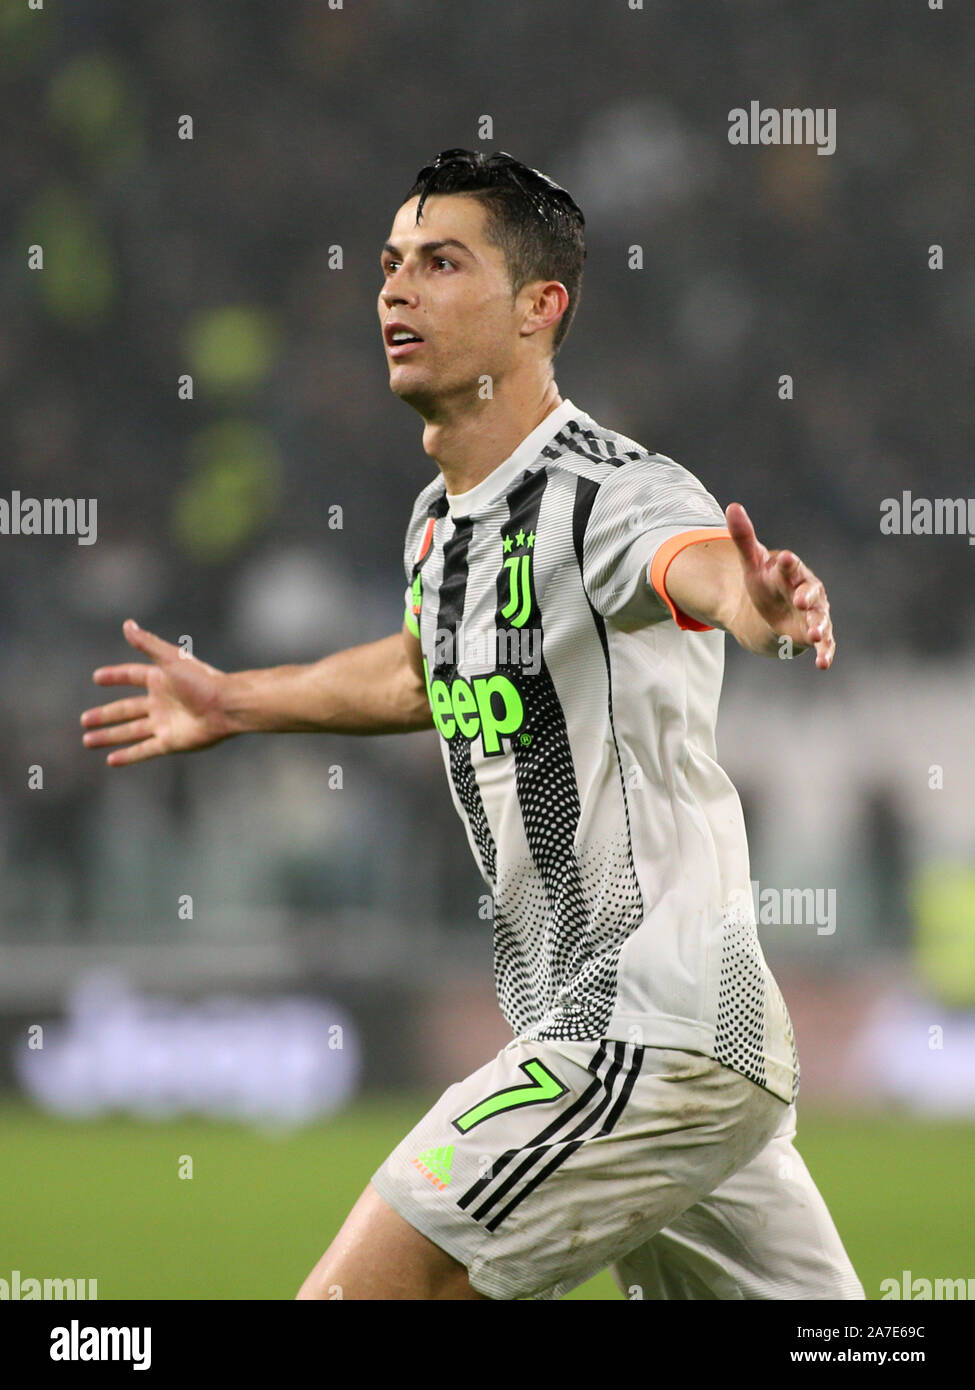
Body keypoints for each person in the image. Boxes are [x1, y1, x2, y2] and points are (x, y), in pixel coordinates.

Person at [81, 149, 862, 1301]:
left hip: (637, 1019)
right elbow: (419, 673)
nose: (396, 290)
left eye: (442, 264)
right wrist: (240, 699)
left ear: (541, 308)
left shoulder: (609, 487)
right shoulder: (438, 529)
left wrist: (763, 605)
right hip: (697, 1053)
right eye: (392, 264)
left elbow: (697, 571)